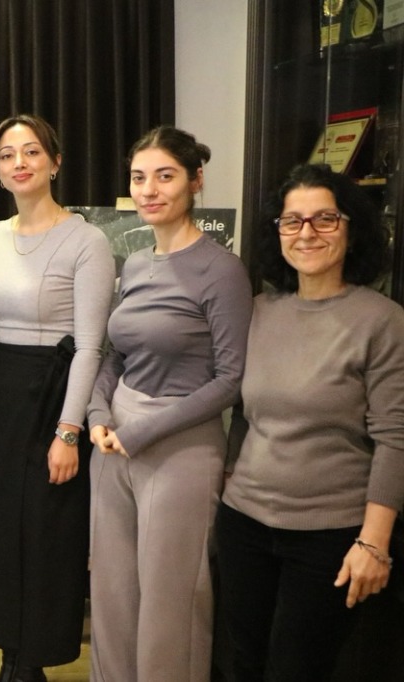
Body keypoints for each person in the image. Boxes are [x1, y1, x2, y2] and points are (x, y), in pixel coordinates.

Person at [216, 163, 404, 681]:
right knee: (243, 664)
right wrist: (230, 478)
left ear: (351, 230)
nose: (307, 233)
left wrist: (374, 543)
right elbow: (243, 412)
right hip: (244, 525)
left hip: (331, 535)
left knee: (296, 671)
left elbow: (395, 438)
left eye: (325, 218)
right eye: (291, 220)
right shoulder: (257, 311)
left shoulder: (383, 321)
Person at [86, 125, 252, 681]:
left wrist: (138, 432)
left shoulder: (222, 270)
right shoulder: (135, 262)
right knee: (112, 595)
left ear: (195, 181)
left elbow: (230, 380)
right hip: (113, 441)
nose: (149, 190)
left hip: (181, 448)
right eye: (139, 178)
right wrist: (98, 414)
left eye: (165, 176)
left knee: (171, 604)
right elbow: (115, 353)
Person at [0, 115, 114, 682]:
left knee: (46, 533)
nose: (19, 163)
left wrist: (68, 431)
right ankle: (9, 655)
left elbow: (92, 346)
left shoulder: (88, 241)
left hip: (53, 395)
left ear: (55, 162)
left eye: (31, 152)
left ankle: (33, 661)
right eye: (7, 155)